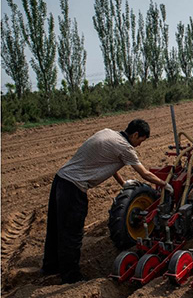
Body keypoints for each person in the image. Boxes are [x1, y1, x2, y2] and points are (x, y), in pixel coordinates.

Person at [41, 119, 173, 284]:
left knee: (55, 226)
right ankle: (71, 276)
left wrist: (123, 184)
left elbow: (107, 163)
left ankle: (50, 266)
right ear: (135, 134)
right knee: (72, 233)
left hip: (61, 179)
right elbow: (145, 174)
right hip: (74, 188)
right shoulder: (125, 148)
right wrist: (166, 185)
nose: (139, 145)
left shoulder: (108, 133)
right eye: (141, 140)